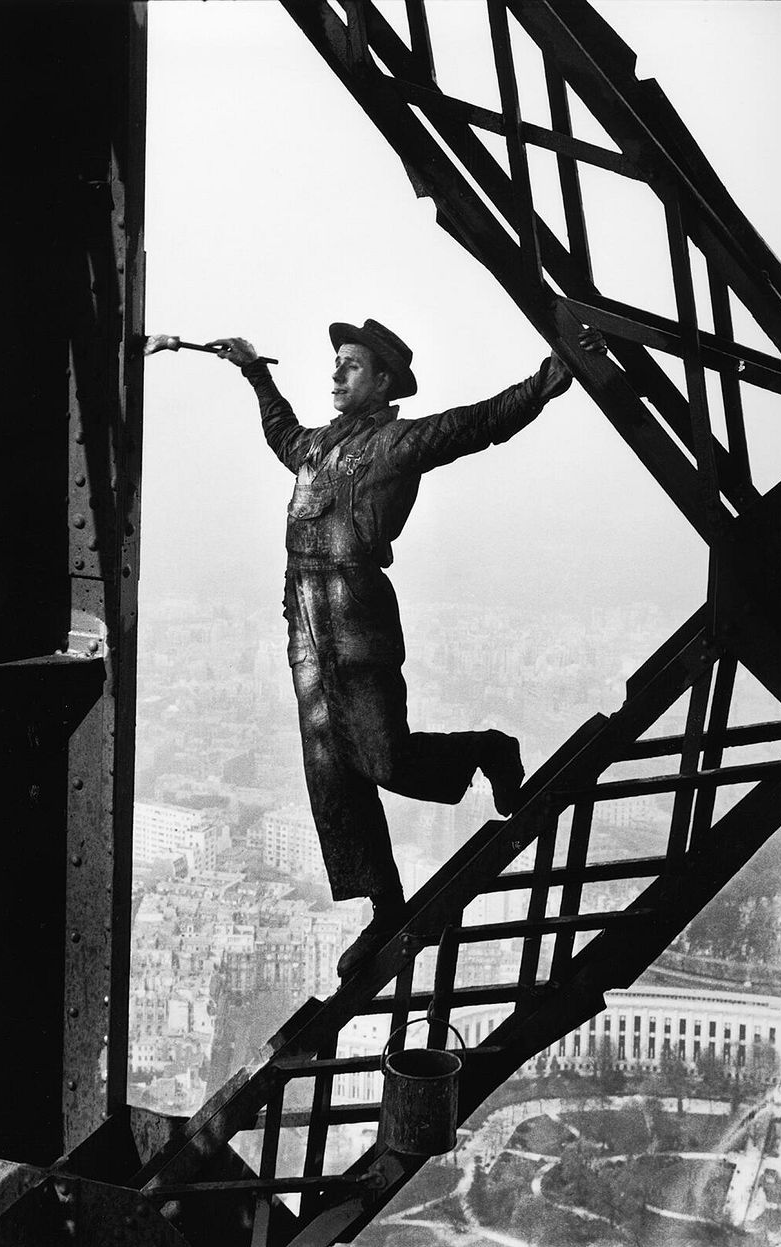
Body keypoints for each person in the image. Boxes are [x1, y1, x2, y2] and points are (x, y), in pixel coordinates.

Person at [208, 320, 605, 979]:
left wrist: (544, 383)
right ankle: (383, 905)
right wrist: (254, 371)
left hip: (357, 627)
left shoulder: (396, 442)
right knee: (333, 779)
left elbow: (475, 424)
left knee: (385, 758)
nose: (337, 375)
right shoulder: (315, 448)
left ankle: (486, 749)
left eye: (352, 366)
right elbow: (280, 430)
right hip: (308, 635)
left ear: (383, 381)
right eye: (334, 364)